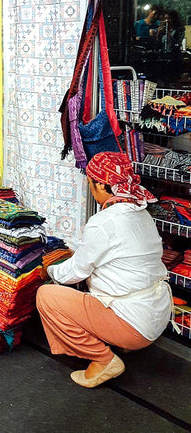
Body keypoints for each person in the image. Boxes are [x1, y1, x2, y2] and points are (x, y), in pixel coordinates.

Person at [36, 152, 172, 388]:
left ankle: (103, 360)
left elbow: (74, 273)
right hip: (157, 314)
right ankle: (122, 342)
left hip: (134, 324)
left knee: (47, 297)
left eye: (89, 182)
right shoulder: (141, 212)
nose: (89, 188)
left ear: (100, 184)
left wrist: (49, 270)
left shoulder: (104, 222)